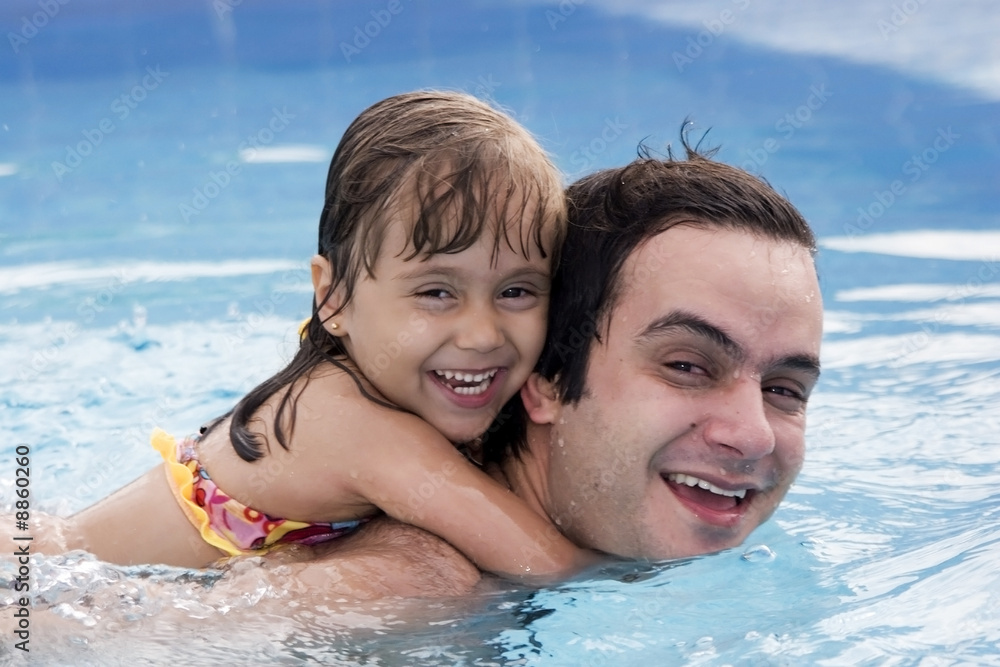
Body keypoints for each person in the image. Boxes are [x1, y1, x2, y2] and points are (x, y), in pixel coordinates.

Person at [228, 136, 825, 600]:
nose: (752, 436)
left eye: (782, 388)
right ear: (548, 380)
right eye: (688, 366)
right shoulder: (411, 589)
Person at [33, 91, 595, 582]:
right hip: (52, 589)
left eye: (517, 292)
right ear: (335, 297)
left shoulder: (359, 368)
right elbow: (542, 563)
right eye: (436, 293)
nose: (481, 334)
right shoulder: (364, 429)